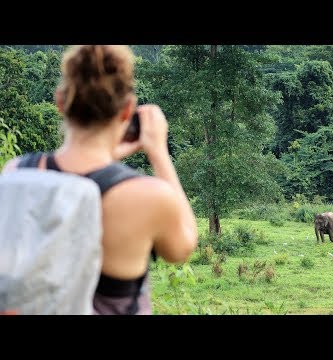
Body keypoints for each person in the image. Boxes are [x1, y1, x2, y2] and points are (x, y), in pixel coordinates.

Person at [2, 45, 198, 314]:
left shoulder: (17, 173)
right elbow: (182, 248)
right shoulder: (147, 197)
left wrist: (109, 159)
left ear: (60, 101)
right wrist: (159, 153)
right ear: (127, 110)